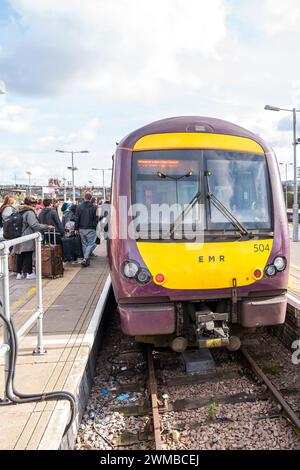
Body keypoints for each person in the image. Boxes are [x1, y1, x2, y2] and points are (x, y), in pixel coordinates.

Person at [14, 197, 52, 280]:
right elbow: (34, 225)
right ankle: (29, 273)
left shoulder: (18, 211)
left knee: (19, 254)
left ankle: (19, 274)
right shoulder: (29, 212)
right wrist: (46, 226)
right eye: (34, 203)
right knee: (28, 254)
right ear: (31, 204)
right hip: (27, 236)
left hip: (17, 236)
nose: (35, 205)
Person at [75, 192, 98, 267]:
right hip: (91, 228)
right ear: (91, 198)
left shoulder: (79, 207)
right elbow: (96, 218)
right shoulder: (94, 207)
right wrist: (95, 226)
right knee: (91, 244)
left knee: (84, 244)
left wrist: (76, 228)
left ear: (84, 198)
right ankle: (85, 259)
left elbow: (77, 218)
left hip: (81, 228)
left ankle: (86, 260)